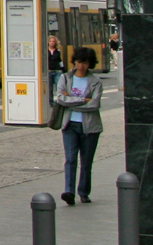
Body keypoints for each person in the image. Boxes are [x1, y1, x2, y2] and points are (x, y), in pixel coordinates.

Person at [55, 45, 106, 205]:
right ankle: (69, 191)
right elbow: (60, 99)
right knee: (70, 159)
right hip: (70, 125)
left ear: (90, 63)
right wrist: (83, 100)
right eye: (78, 61)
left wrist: (70, 101)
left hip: (90, 127)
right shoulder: (65, 78)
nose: (80, 65)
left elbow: (94, 105)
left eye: (84, 62)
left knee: (86, 162)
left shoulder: (95, 82)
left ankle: (83, 192)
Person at [47, 35, 65, 100]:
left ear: (55, 42)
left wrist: (63, 68)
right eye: (50, 41)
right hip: (49, 70)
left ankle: (59, 100)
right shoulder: (45, 51)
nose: (52, 42)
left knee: (59, 86)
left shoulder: (58, 51)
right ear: (48, 42)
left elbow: (60, 60)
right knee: (50, 88)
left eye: (53, 41)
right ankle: (50, 101)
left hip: (57, 70)